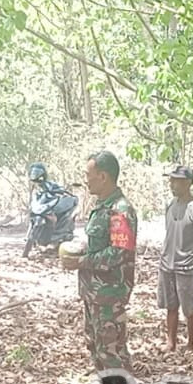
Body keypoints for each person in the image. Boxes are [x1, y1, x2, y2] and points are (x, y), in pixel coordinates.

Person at [62, 151, 138, 372]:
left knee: (112, 351)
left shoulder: (120, 210)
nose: (86, 180)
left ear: (103, 176)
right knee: (96, 347)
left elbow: (119, 253)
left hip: (110, 293)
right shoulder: (101, 207)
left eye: (88, 174)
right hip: (94, 292)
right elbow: (102, 244)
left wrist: (81, 262)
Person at [159, 166, 193, 353]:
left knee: (189, 308)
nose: (172, 184)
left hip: (187, 265)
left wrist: (186, 248)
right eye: (171, 180)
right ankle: (171, 342)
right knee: (170, 305)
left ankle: (190, 344)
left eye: (177, 181)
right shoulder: (170, 205)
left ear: (188, 183)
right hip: (167, 263)